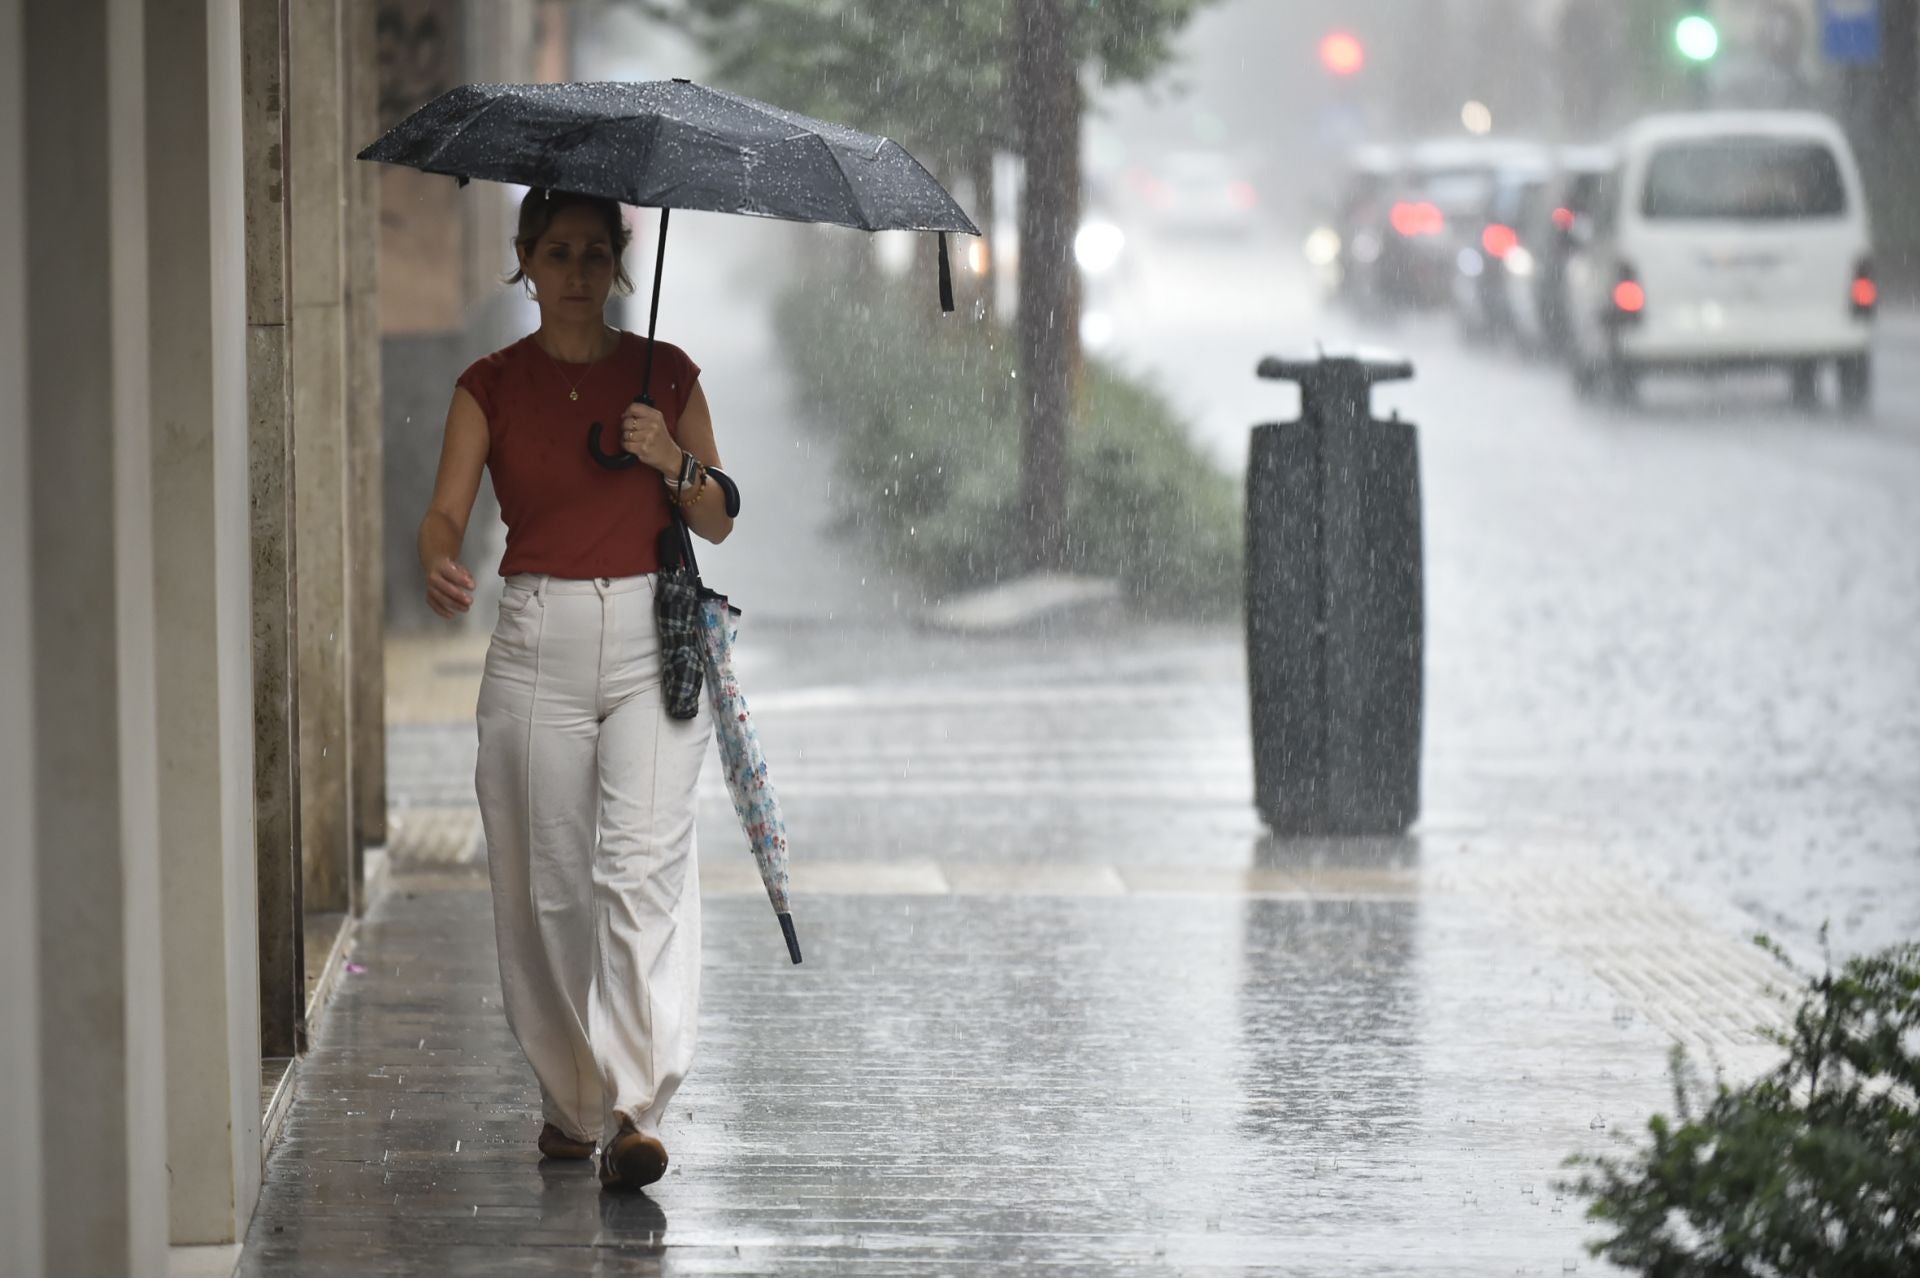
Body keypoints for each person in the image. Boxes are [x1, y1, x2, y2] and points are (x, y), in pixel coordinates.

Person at [417, 187, 733, 1192]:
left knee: (639, 874)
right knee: (550, 889)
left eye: (598, 252)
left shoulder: (667, 375)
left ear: (622, 261)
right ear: (525, 261)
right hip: (533, 640)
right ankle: (573, 1100)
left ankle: (635, 1107)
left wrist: (667, 454)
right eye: (558, 252)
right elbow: (445, 515)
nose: (579, 272)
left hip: (652, 639)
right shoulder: (490, 384)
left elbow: (721, 515)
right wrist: (436, 562)